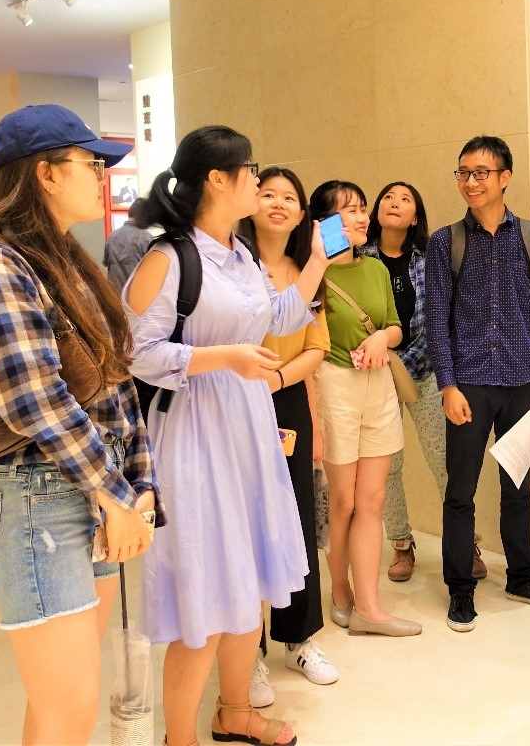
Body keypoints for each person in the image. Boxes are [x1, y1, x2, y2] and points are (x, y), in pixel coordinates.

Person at [0, 103, 160, 744]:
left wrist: (140, 486)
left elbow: (117, 383)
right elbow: (34, 400)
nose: (102, 176)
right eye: (89, 164)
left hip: (88, 494)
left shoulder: (69, 263)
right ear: (44, 173)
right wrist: (115, 494)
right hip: (40, 503)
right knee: (67, 708)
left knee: (60, 708)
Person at [127, 126, 327, 746]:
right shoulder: (168, 258)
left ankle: (234, 712)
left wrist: (319, 259)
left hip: (248, 428)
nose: (259, 180)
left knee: (249, 575)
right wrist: (223, 359)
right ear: (218, 179)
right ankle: (178, 737)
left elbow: (279, 316)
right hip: (194, 433)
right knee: (206, 588)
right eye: (250, 170)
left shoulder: (240, 255)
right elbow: (136, 352)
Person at [425, 135, 530, 632]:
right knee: (460, 491)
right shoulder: (445, 241)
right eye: (463, 173)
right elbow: (436, 319)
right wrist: (447, 385)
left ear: (505, 177)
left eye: (481, 172)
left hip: (522, 382)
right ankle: (460, 589)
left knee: (519, 487)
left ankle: (522, 577)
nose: (471, 182)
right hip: (468, 385)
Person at [239, 168, 338, 705]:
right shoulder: (233, 265)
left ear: (302, 214)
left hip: (286, 396)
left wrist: (278, 381)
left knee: (296, 518)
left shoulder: (307, 270)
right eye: (268, 194)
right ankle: (247, 652)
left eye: (289, 198)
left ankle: (299, 639)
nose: (278, 203)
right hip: (235, 398)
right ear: (250, 203)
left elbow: (317, 346)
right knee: (247, 522)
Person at [309, 179, 421, 637]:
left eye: (361, 208)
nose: (361, 217)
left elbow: (396, 326)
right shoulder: (311, 273)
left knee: (372, 500)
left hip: (379, 386)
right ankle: (340, 592)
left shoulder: (374, 267)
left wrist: (380, 340)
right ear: (322, 223)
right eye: (348, 210)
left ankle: (370, 607)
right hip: (334, 385)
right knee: (343, 501)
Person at [363, 182, 484, 582]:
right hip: (371, 376)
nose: (394, 203)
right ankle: (401, 543)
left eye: (405, 199)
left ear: (415, 217)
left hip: (427, 370)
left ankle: (465, 542)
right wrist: (381, 362)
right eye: (387, 197)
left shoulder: (430, 258)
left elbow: (441, 318)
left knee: (444, 459)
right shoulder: (357, 259)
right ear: (376, 210)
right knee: (387, 466)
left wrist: (404, 361)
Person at [102, 197, 153, 292]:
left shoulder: (112, 237)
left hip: (113, 295)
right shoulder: (146, 239)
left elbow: (107, 264)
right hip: (136, 295)